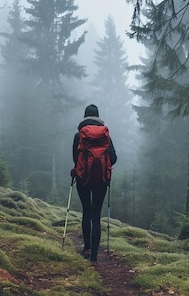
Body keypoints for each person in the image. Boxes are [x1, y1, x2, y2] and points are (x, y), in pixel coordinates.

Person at [71, 104, 117, 262]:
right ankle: (95, 256)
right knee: (96, 215)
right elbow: (114, 158)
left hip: (83, 179)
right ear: (98, 117)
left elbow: (75, 159)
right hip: (102, 180)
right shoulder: (106, 136)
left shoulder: (79, 135)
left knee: (86, 212)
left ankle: (87, 248)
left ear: (85, 117)